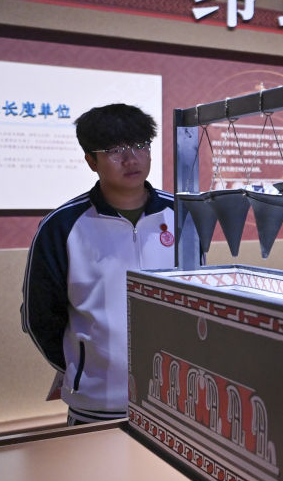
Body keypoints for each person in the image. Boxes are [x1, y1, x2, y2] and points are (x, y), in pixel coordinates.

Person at [21, 104, 175, 425]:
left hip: (175, 402)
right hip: (98, 404)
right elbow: (40, 316)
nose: (131, 158)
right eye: (115, 150)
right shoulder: (62, 226)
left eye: (140, 145)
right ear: (91, 161)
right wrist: (80, 369)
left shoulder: (182, 215)